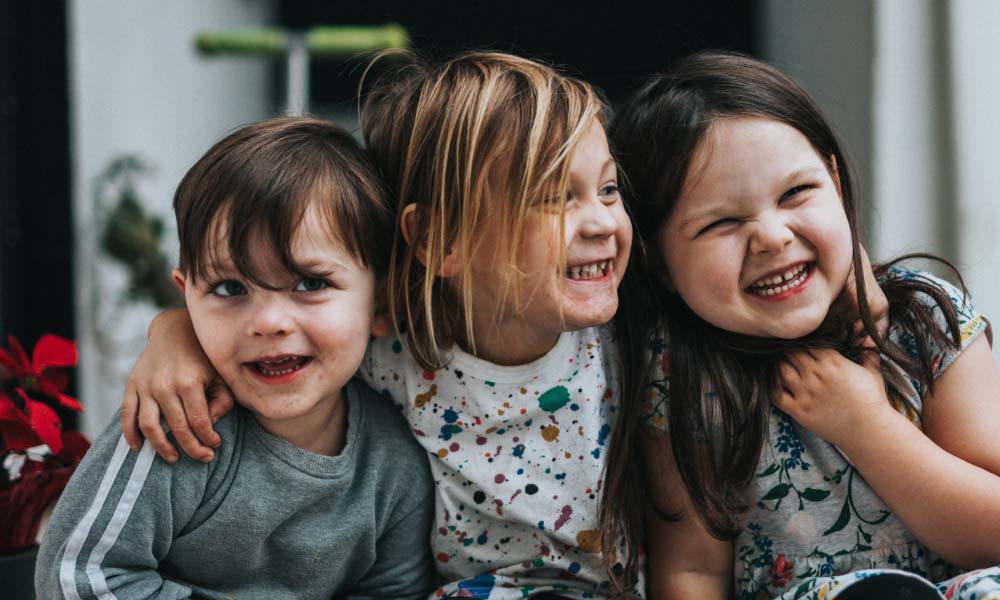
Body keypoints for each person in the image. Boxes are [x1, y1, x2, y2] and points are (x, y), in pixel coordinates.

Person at [113, 52, 642, 598]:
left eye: (607, 189)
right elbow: (291, 325)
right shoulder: (395, 349)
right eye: (554, 197)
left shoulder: (634, 341)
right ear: (443, 241)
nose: (602, 221)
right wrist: (175, 333)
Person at [607, 51, 1000, 599]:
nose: (771, 236)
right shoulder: (680, 378)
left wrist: (865, 426)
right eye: (722, 223)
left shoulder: (926, 319)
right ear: (660, 264)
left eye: (796, 193)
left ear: (835, 183)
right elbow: (692, 572)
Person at [36, 117, 436, 599]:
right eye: (230, 288)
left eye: (311, 283)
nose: (268, 322)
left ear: (382, 303)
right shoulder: (175, 428)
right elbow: (75, 578)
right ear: (187, 298)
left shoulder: (396, 469)